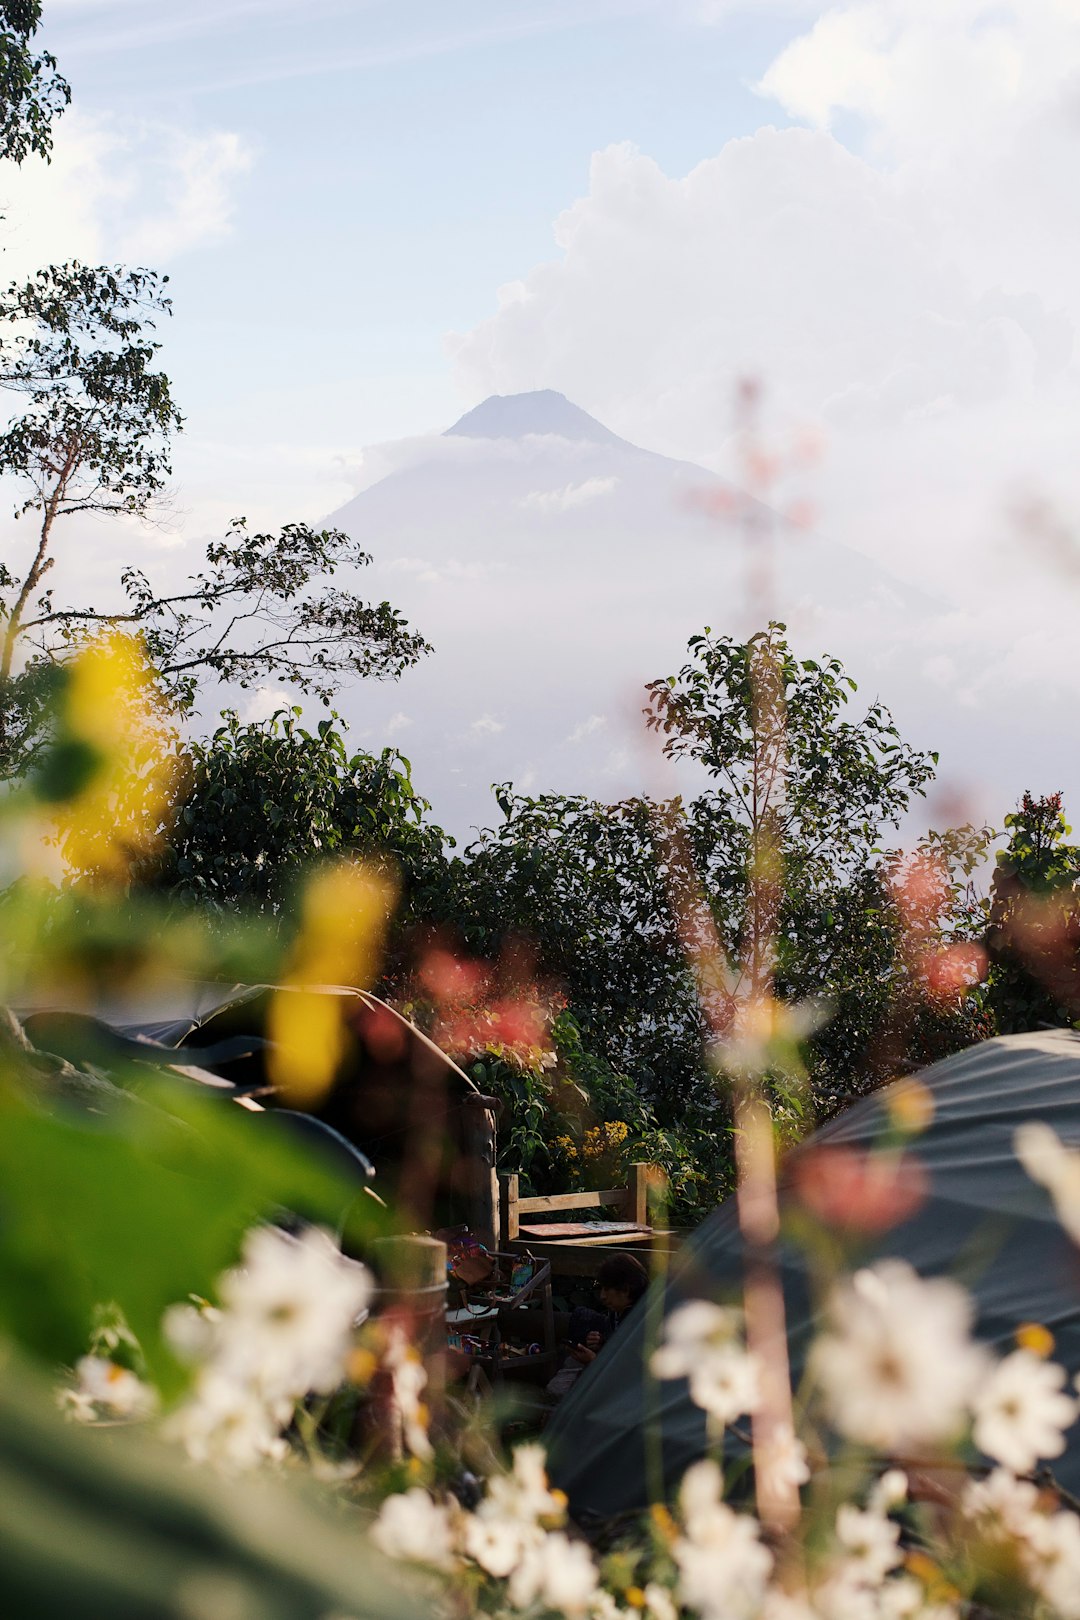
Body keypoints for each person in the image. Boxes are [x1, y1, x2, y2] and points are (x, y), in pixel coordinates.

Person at [546, 1253, 649, 1398]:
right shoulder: (619, 1312)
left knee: (562, 1390)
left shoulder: (642, 1321)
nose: (602, 1296)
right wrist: (601, 1342)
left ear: (625, 1289)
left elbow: (632, 1373)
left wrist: (594, 1361)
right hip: (610, 1376)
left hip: (633, 1393)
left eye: (607, 1290)